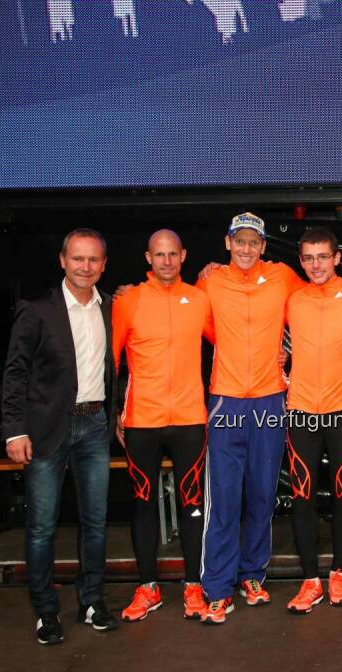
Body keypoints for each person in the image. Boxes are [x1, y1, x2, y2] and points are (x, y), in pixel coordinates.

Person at [1, 228, 118, 645]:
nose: (85, 267)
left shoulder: (111, 308)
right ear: (62, 260)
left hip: (94, 426)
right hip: (47, 429)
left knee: (96, 524)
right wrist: (14, 430)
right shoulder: (36, 310)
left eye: (93, 260)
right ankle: (46, 612)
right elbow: (15, 373)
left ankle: (91, 602)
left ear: (103, 264)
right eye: (78, 259)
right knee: (41, 528)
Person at [195, 212, 304, 624]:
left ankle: (252, 575)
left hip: (270, 402)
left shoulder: (282, 277)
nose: (245, 249)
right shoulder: (210, 281)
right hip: (226, 402)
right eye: (239, 241)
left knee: (261, 493)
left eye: (253, 243)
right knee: (224, 498)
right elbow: (198, 325)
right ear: (227, 243)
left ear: (263, 246)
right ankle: (218, 587)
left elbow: (317, 304)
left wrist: (287, 349)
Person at [111, 230, 215, 623]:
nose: (167, 261)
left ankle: (193, 587)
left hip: (190, 418)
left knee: (192, 505)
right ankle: (148, 587)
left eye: (173, 254)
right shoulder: (129, 301)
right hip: (142, 420)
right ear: (147, 258)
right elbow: (112, 362)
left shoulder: (200, 299)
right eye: (160, 254)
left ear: (184, 256)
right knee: (143, 504)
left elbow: (228, 341)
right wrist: (115, 415)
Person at [283, 228, 342, 614]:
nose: (316, 264)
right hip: (300, 410)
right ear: (300, 261)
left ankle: (337, 573)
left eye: (323, 256)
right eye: (308, 258)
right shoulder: (292, 298)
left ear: (336, 258)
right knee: (302, 497)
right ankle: (309, 580)